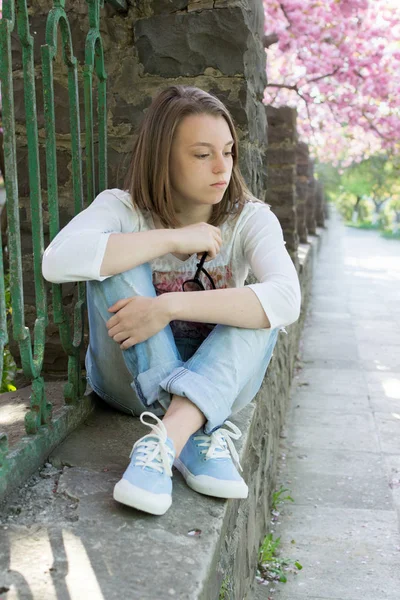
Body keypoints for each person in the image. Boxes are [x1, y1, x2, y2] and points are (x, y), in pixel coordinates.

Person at [42, 85, 301, 516]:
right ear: (164, 157)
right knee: (116, 253)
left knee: (262, 307)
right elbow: (57, 261)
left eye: (229, 151)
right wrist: (171, 238)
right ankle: (196, 433)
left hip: (221, 377)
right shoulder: (122, 209)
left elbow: (288, 298)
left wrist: (167, 307)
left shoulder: (250, 219)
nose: (222, 167)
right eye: (202, 155)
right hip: (126, 381)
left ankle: (168, 438)